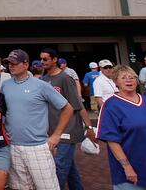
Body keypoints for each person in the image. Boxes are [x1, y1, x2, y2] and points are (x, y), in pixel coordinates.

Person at [1, 49, 73, 190]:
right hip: (13, 146)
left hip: (37, 147)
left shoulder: (41, 85)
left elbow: (67, 108)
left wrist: (56, 135)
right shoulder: (5, 85)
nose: (11, 66)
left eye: (14, 63)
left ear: (25, 64)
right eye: (8, 63)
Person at [40, 48, 93, 190]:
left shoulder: (65, 78)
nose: (42, 62)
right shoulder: (43, 80)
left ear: (54, 59)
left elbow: (78, 105)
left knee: (60, 166)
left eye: (45, 59)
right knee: (70, 168)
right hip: (53, 128)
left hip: (68, 128)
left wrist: (88, 127)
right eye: (41, 59)